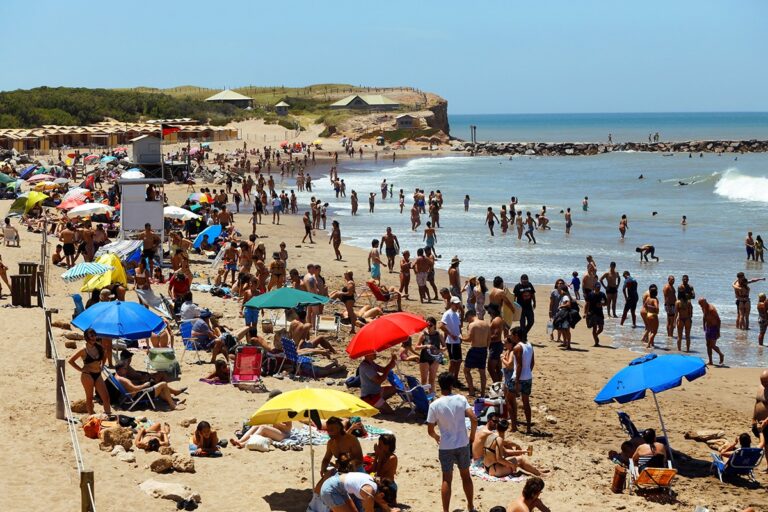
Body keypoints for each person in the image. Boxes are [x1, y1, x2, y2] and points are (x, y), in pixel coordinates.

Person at [426, 373, 477, 512]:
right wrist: (472, 436)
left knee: (446, 479)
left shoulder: (435, 405)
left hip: (446, 446)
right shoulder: (461, 399)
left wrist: (437, 437)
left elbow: (430, 430)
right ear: (451, 385)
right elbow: (474, 418)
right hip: (462, 443)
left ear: (439, 385)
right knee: (466, 476)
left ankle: (446, 510)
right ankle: (471, 506)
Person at [66, 328, 111, 416]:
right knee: (89, 397)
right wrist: (81, 369)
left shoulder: (99, 347)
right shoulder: (83, 349)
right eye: (91, 336)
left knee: (106, 397)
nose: (93, 338)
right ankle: (91, 417)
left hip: (98, 374)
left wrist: (102, 365)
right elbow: (71, 361)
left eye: (94, 335)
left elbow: (105, 355)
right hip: (87, 375)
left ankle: (108, 415)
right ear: (87, 337)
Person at [317, 471, 399, 512]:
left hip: (338, 486)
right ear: (381, 495)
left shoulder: (375, 485)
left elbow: (382, 501)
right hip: (330, 490)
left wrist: (390, 510)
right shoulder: (369, 494)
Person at [508, 326, 534, 433]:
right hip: (528, 377)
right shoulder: (530, 345)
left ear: (516, 335)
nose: (511, 337)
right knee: (526, 402)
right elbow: (532, 363)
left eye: (512, 335)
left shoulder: (517, 348)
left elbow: (519, 365)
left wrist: (517, 380)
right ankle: (528, 427)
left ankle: (514, 426)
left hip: (518, 378)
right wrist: (527, 373)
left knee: (509, 400)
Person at [462, 309, 490, 397]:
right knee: (482, 372)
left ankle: (471, 391)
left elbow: (469, 339)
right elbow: (489, 339)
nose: (467, 321)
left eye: (467, 319)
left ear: (469, 316)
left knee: (466, 370)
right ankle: (482, 393)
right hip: (484, 349)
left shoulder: (472, 325)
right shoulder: (486, 324)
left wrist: (460, 338)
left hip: (475, 349)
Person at [415, 316, 443, 391]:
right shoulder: (423, 334)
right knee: (424, 380)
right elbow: (416, 347)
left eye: (430, 325)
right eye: (426, 325)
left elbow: (445, 347)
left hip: (435, 359)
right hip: (424, 358)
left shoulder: (439, 335)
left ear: (434, 325)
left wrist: (438, 351)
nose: (428, 327)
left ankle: (431, 397)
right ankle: (423, 397)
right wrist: (426, 346)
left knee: (432, 380)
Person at [439, 297, 463, 380]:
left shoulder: (457, 313)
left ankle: (455, 378)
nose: (457, 305)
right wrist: (450, 334)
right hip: (451, 342)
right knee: (453, 362)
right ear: (452, 304)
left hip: (457, 341)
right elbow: (441, 326)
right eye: (456, 304)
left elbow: (459, 327)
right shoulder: (447, 314)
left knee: (459, 361)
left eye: (458, 304)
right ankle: (450, 379)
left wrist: (461, 336)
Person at [699, 298, 724, 365]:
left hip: (714, 328)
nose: (700, 306)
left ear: (705, 302)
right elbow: (704, 316)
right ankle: (710, 361)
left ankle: (721, 354)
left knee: (712, 345)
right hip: (708, 328)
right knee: (707, 345)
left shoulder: (712, 309)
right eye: (700, 304)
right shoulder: (703, 308)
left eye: (701, 304)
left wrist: (718, 331)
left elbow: (719, 320)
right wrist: (704, 325)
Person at [513, 274, 536, 339]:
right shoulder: (517, 286)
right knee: (522, 324)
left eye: (526, 281)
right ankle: (523, 337)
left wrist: (534, 302)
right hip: (520, 308)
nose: (525, 283)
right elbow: (514, 298)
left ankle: (523, 334)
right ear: (521, 280)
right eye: (524, 282)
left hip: (529, 307)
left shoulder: (530, 285)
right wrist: (514, 306)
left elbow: (533, 294)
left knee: (531, 322)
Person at [675, 285, 694, 352]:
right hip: (687, 319)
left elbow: (676, 313)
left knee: (679, 336)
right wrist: (690, 318)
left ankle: (679, 350)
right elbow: (691, 311)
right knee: (688, 336)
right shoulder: (688, 302)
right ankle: (688, 350)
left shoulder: (677, 302)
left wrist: (674, 322)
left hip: (680, 319)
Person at [642, 284, 660, 349]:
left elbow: (645, 305)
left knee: (650, 330)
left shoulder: (648, 298)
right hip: (653, 315)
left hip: (648, 314)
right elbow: (656, 308)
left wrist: (649, 307)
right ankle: (649, 344)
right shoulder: (655, 300)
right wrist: (654, 308)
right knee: (654, 331)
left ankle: (651, 343)